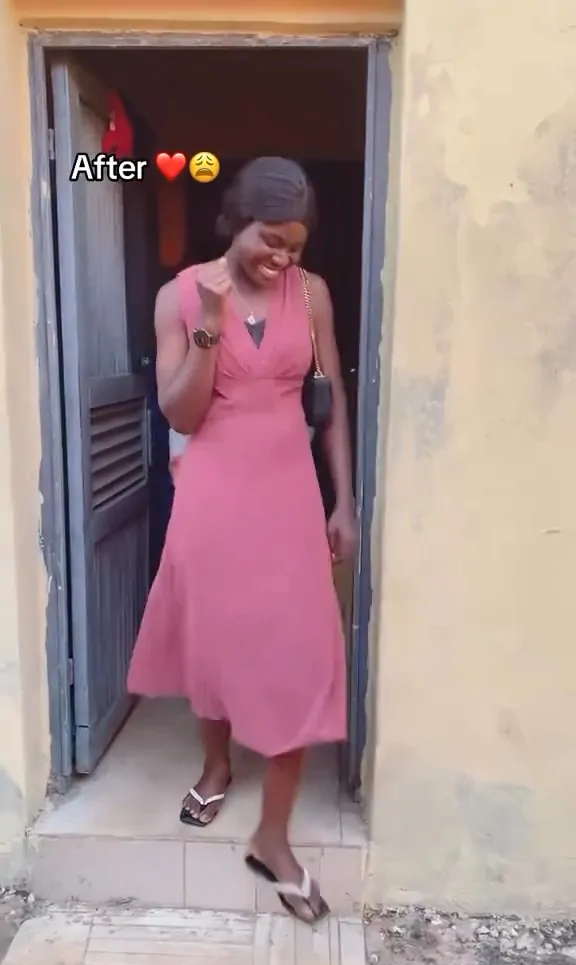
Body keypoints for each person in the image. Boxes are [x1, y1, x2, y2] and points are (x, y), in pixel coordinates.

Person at [127, 156, 355, 923]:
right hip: (214, 494)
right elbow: (182, 414)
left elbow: (332, 398)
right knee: (216, 641)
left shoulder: (312, 294)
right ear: (236, 221)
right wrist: (210, 325)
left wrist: (344, 501)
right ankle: (218, 763)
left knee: (302, 652)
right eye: (270, 240)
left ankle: (272, 836)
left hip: (288, 495)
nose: (281, 257)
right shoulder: (180, 295)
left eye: (294, 245)